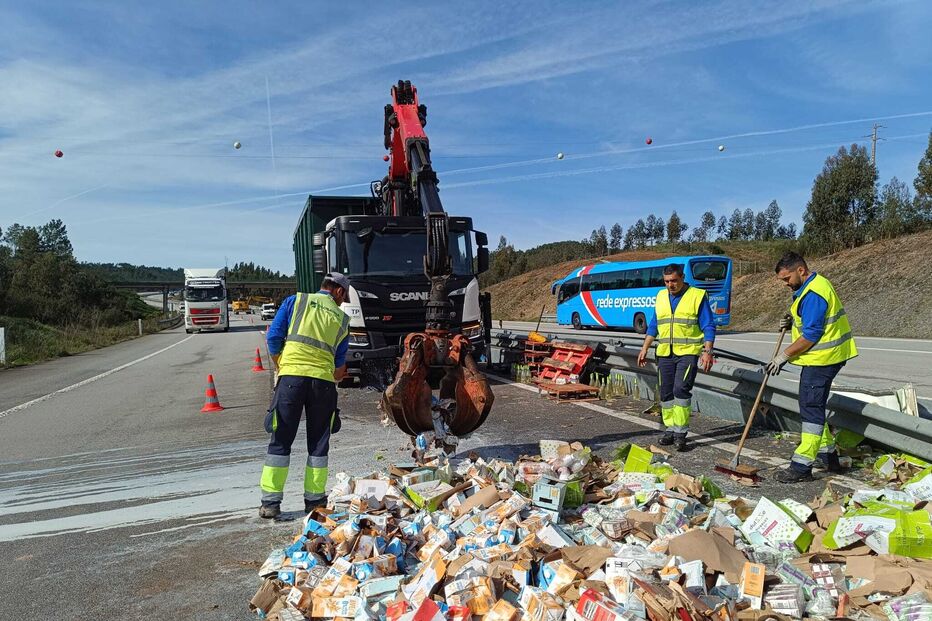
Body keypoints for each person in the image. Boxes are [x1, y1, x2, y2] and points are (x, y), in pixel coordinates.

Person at [258, 273, 350, 519]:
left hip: (291, 380)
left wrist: (282, 364)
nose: (344, 302)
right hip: (323, 384)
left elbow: (273, 338)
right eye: (345, 296)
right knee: (319, 443)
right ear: (339, 292)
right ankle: (314, 501)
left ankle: (270, 503)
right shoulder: (342, 319)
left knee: (281, 439)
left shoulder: (295, 301)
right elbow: (339, 368)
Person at [765, 252, 857, 483]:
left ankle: (801, 466)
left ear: (801, 271)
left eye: (787, 278)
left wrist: (782, 357)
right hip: (823, 358)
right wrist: (792, 320)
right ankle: (829, 457)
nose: (785, 283)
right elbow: (809, 321)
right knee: (812, 406)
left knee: (811, 408)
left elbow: (812, 334)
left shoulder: (814, 293)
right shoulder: (812, 287)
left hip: (823, 359)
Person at [637, 263, 716, 451]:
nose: (670, 285)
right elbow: (654, 325)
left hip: (687, 352)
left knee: (680, 390)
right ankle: (670, 429)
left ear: (682, 278)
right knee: (666, 393)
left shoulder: (696, 296)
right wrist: (644, 348)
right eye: (666, 281)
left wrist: (707, 351)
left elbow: (709, 326)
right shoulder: (661, 296)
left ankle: (681, 433)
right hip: (665, 353)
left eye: (673, 281)